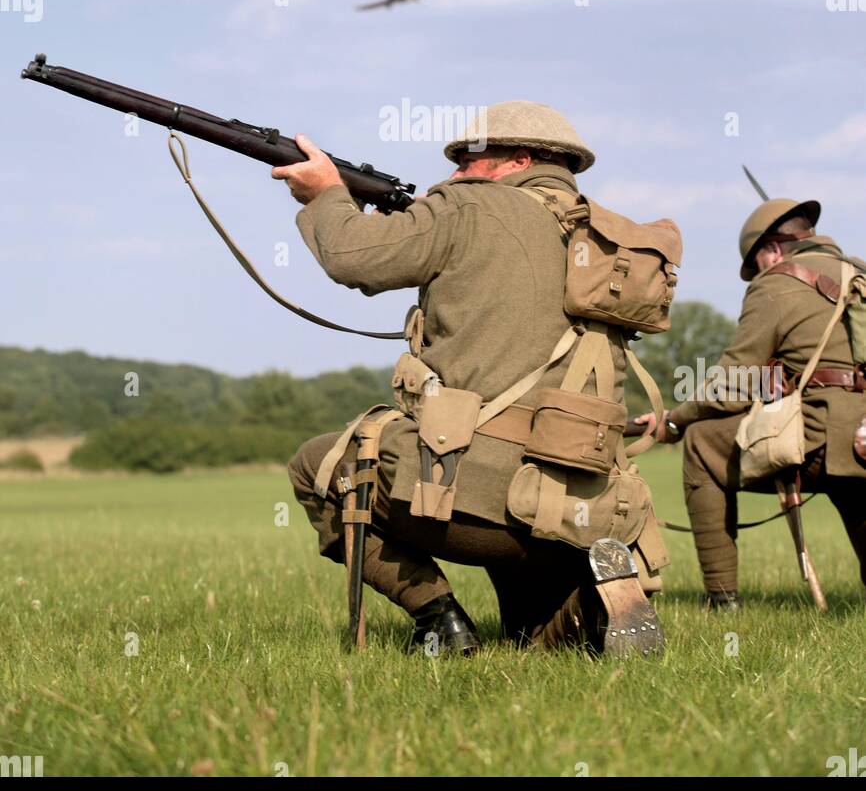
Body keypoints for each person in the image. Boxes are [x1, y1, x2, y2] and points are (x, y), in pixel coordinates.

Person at [279, 102, 669, 655]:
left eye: (467, 158)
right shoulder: (607, 241)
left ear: (519, 160)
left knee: (315, 465)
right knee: (534, 646)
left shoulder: (467, 207)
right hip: (583, 501)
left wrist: (326, 194)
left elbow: (354, 259)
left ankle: (439, 618)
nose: (455, 171)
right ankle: (585, 594)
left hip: (474, 500)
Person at [636, 198, 866, 608]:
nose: (757, 275)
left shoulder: (777, 281)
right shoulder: (860, 272)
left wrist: (674, 421)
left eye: (757, 264)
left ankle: (723, 600)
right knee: (852, 488)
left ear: (773, 250)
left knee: (703, 443)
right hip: (860, 435)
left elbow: (734, 381)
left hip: (830, 433)